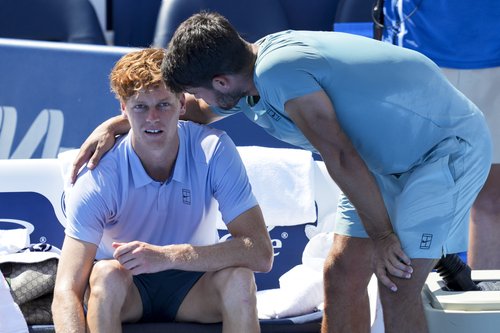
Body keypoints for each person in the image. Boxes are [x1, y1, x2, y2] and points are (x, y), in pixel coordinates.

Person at [70, 12, 491, 333]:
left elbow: (340, 155)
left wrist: (382, 237)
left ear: (219, 81)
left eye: (193, 92)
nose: (188, 105)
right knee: (342, 272)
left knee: (396, 281)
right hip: (382, 164)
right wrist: (120, 122)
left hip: (440, 150)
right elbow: (190, 112)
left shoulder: (280, 71)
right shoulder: (244, 73)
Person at [51, 47, 273, 333]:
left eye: (163, 105)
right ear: (123, 109)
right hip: (127, 291)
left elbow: (260, 253)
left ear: (182, 104)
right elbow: (66, 291)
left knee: (241, 280)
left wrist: (167, 256)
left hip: (195, 286)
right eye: (140, 107)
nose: (152, 118)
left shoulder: (214, 149)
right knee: (106, 276)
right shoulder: (98, 175)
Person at [377, 0, 500, 270]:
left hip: (488, 56)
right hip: (414, 55)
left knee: (491, 199)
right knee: (406, 196)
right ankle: (407, 307)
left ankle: (486, 310)